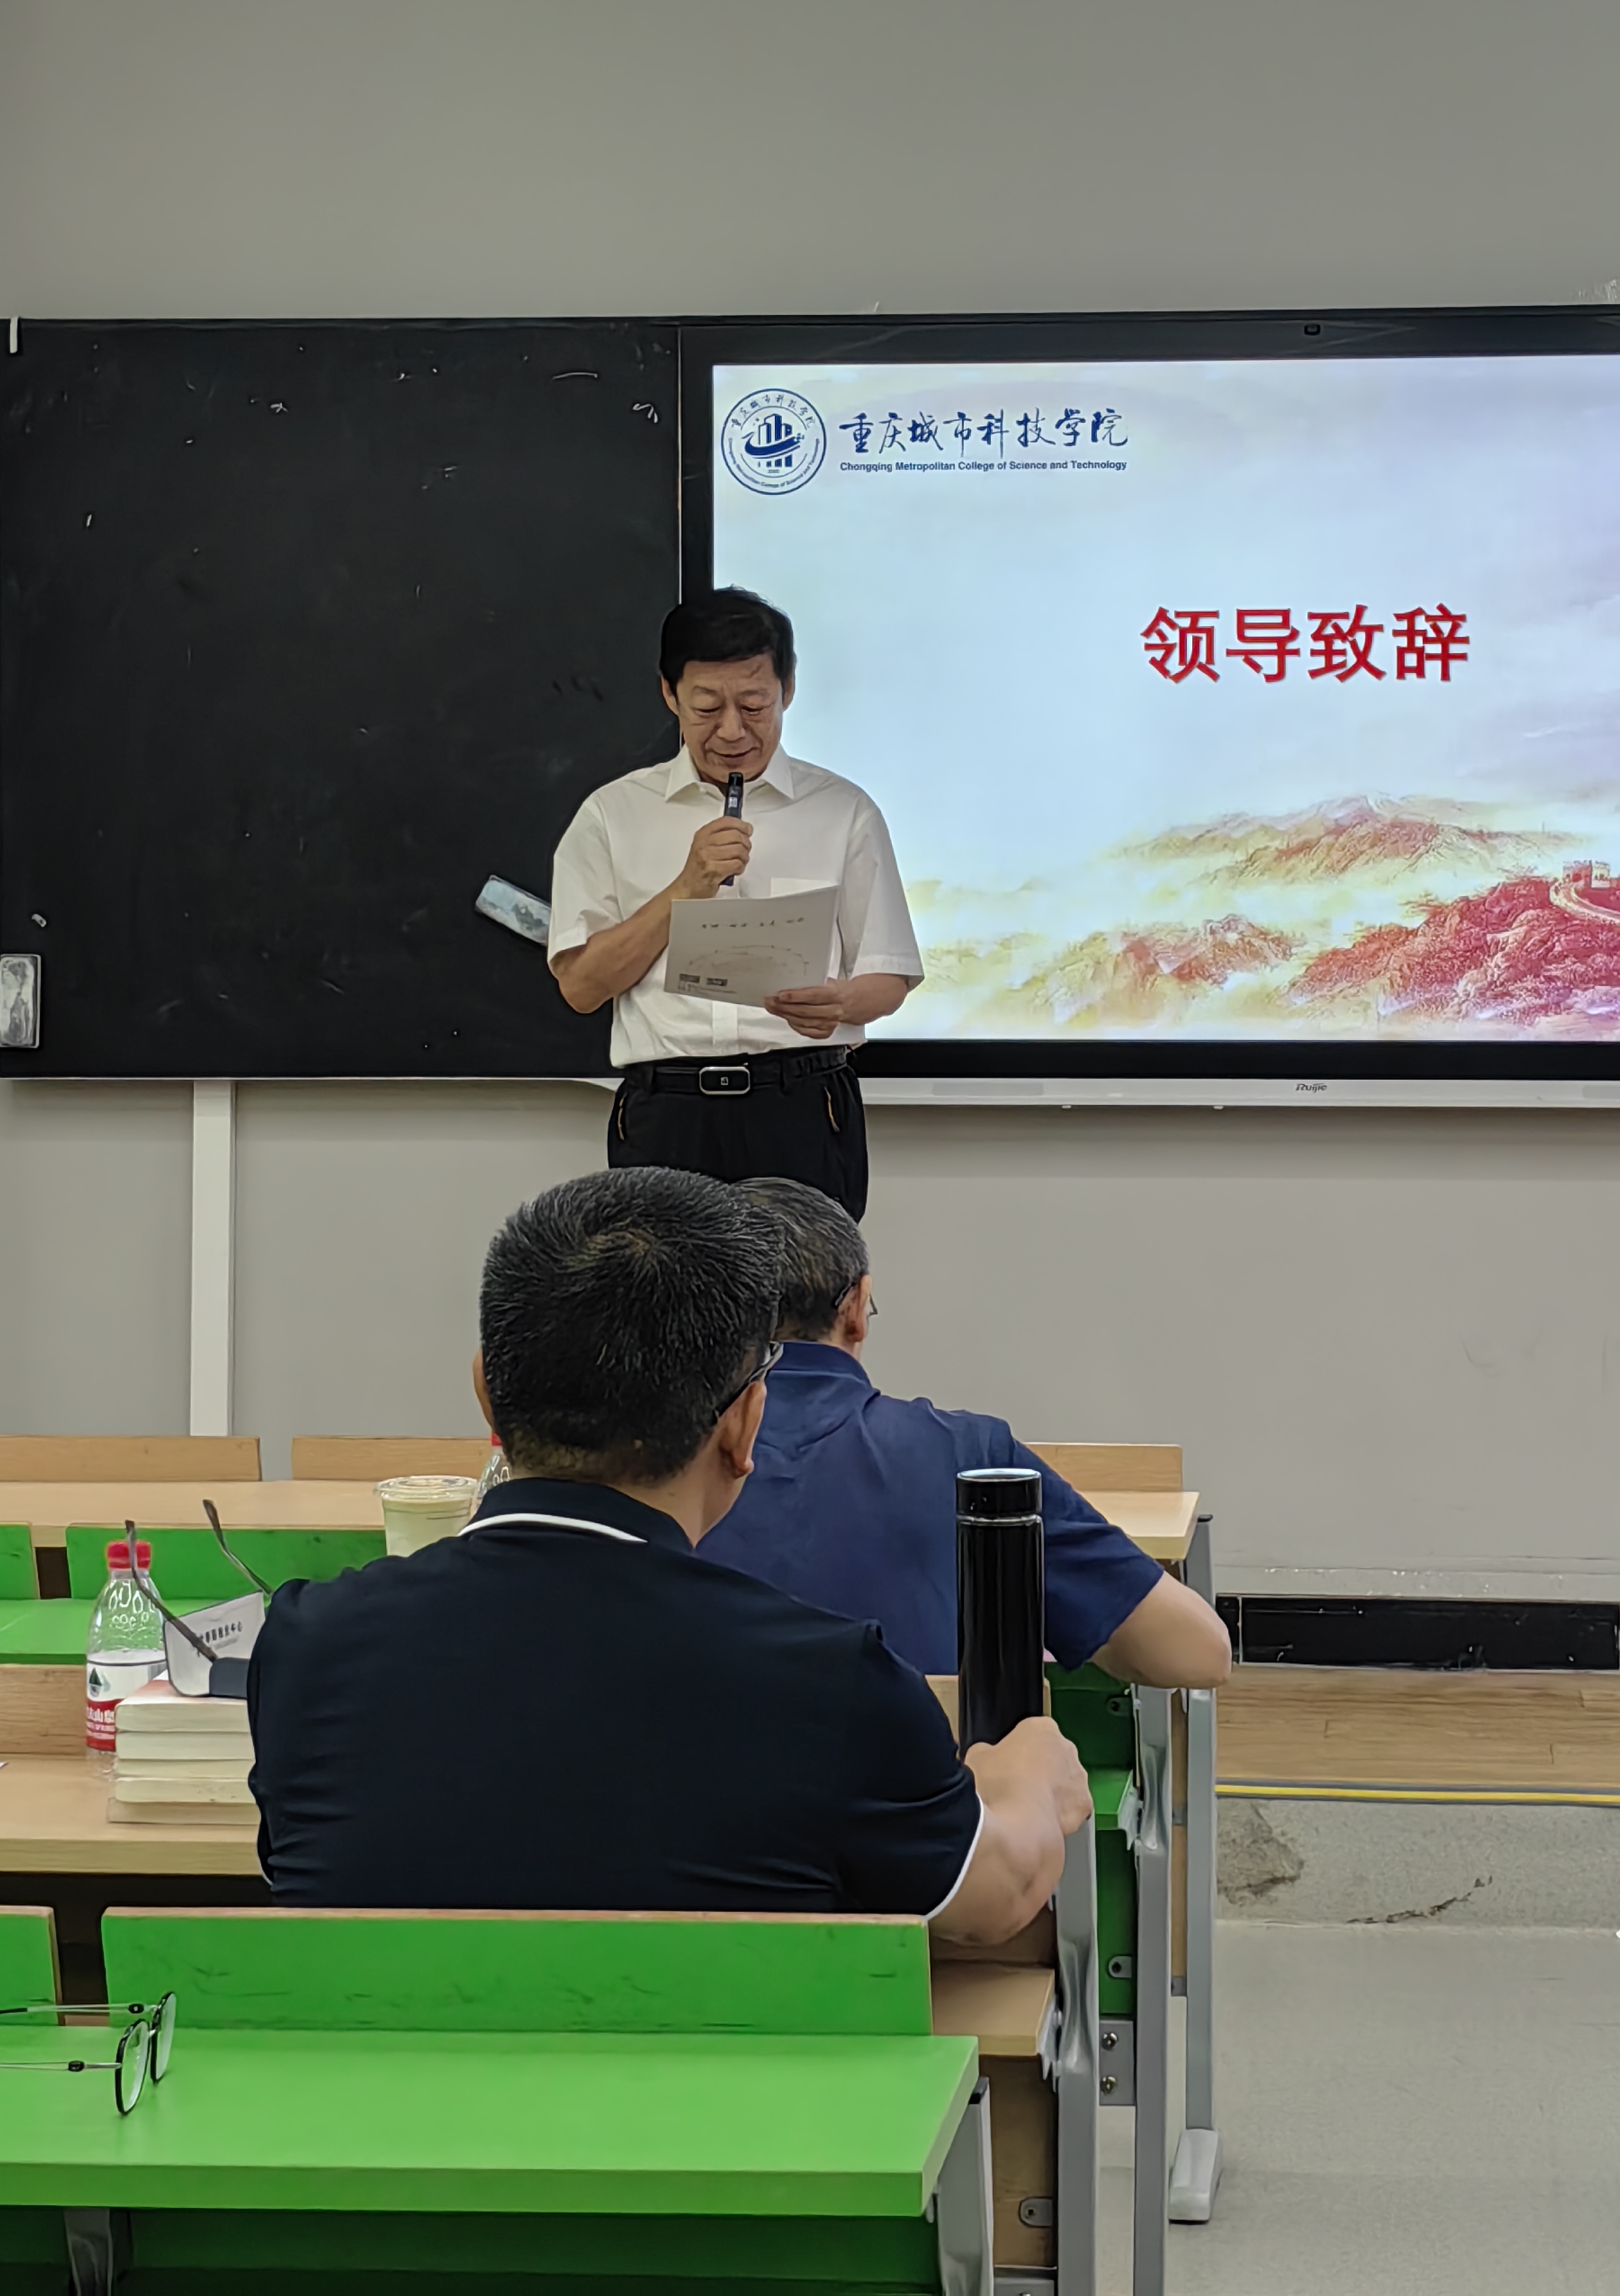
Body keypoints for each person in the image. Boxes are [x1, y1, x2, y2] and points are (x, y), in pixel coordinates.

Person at [248, 1168, 1089, 1935]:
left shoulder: (305, 1646)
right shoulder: (829, 1681)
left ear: (486, 1395)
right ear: (743, 1426)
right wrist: (1025, 1770)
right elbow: (997, 1894)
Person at [707, 1177, 1234, 1690]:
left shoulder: (667, 1462)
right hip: (914, 1750)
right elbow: (1197, 1652)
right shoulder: (969, 1458)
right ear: (856, 1310)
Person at [547, 588, 920, 1217]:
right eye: (706, 707)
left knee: (804, 1283)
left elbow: (888, 976)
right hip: (669, 1112)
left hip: (802, 1103)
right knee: (667, 1283)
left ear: (788, 690)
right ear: (669, 695)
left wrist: (841, 1004)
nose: (731, 730)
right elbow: (582, 988)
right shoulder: (612, 814)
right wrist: (685, 888)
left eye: (754, 706)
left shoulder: (843, 810)